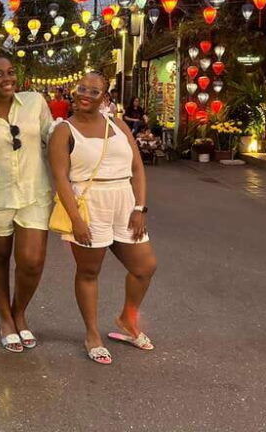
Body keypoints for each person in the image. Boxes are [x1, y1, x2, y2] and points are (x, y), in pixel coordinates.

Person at [48, 73, 157, 365]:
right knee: (88, 272)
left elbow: (137, 166)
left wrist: (140, 207)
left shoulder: (117, 124)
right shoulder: (64, 131)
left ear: (104, 98)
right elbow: (60, 178)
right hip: (89, 204)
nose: (85, 94)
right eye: (81, 88)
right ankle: (92, 333)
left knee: (145, 266)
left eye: (94, 91)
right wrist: (75, 219)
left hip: (123, 201)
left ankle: (126, 319)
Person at [0, 54, 53, 353]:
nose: (7, 79)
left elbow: (51, 136)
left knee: (32, 261)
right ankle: (6, 319)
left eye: (10, 73)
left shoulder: (34, 102)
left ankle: (19, 311)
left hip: (35, 192)